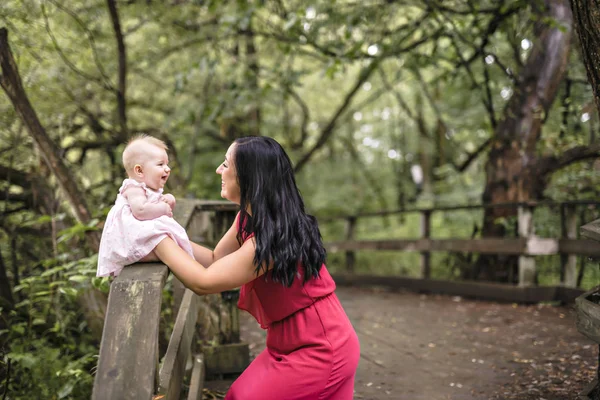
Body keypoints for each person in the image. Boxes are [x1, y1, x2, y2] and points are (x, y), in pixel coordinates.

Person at [153, 136, 360, 399]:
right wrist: (168, 235)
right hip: (285, 343)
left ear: (249, 176)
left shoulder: (270, 237)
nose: (219, 170)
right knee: (237, 394)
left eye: (226, 165)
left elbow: (203, 282)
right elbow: (216, 259)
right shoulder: (247, 218)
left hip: (321, 346)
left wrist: (158, 242)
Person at [96, 134, 194, 278]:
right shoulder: (133, 188)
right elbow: (140, 211)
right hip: (131, 242)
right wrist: (163, 208)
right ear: (139, 171)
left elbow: (154, 205)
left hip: (141, 238)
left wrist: (168, 200)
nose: (167, 169)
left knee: (167, 242)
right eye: (161, 164)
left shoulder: (148, 189)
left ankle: (186, 266)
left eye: (167, 164)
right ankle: (188, 270)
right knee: (164, 243)